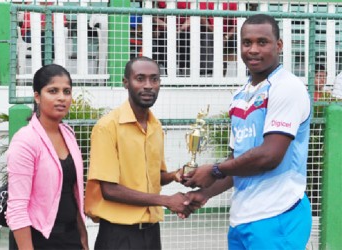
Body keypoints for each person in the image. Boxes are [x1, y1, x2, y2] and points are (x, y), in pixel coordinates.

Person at [182, 14, 312, 249]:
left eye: (262, 42)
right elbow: (239, 162)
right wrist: (206, 193)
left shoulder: (287, 87)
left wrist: (213, 170)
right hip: (242, 219)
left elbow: (269, 156)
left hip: (278, 215)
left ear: (278, 45)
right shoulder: (240, 96)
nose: (253, 49)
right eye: (247, 42)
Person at [84, 56, 188, 250]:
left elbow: (154, 177)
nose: (148, 85)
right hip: (118, 235)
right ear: (126, 83)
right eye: (140, 78)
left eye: (154, 79)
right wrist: (167, 201)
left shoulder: (155, 126)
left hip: (151, 232)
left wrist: (175, 175)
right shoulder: (107, 127)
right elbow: (109, 190)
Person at [6, 64, 88, 250]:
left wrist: (82, 236)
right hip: (38, 239)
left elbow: (73, 192)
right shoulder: (26, 141)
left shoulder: (68, 134)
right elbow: (17, 208)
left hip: (70, 237)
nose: (61, 97)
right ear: (37, 96)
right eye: (53, 91)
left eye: (66, 91)